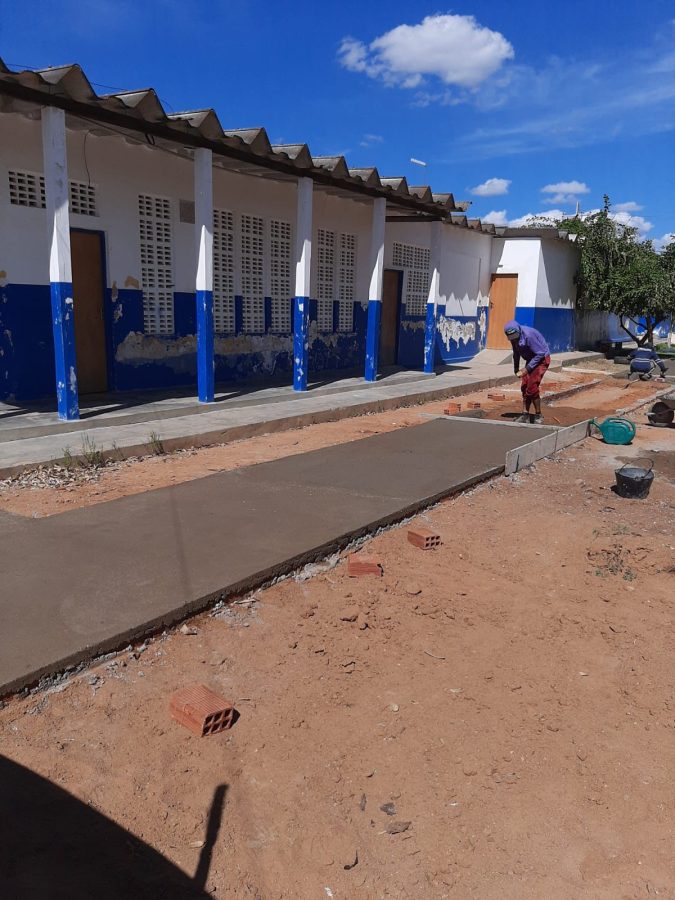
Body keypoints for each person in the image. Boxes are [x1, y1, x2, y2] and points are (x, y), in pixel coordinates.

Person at [503, 320, 551, 424]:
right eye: (511, 338)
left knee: (532, 386)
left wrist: (527, 369)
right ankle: (525, 414)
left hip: (542, 359)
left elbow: (540, 353)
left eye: (515, 337)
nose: (514, 340)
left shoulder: (529, 336)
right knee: (525, 386)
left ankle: (538, 415)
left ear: (519, 331)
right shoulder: (513, 338)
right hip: (531, 359)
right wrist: (516, 368)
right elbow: (516, 353)